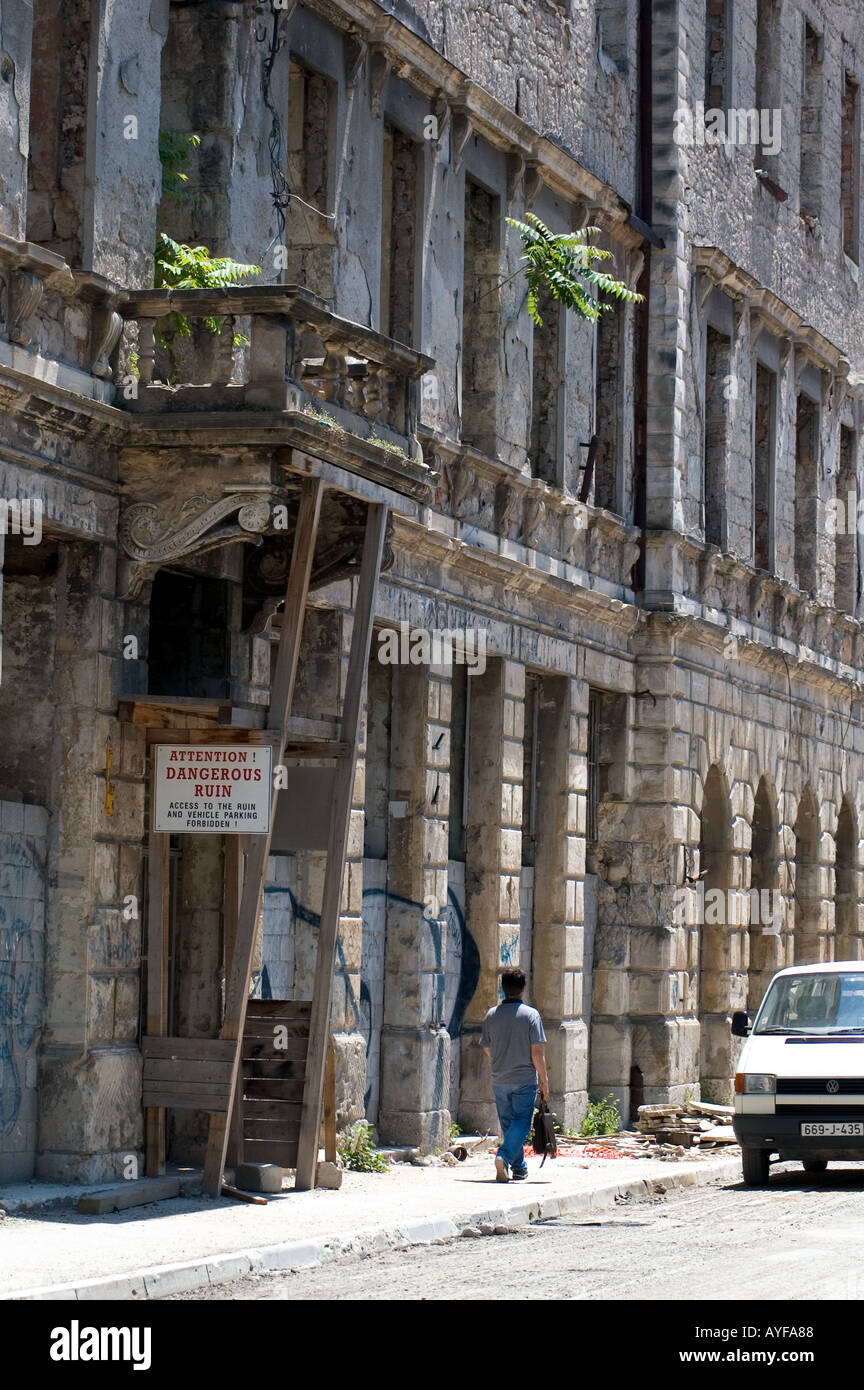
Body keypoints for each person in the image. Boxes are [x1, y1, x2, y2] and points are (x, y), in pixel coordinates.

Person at [481, 967, 549, 1183]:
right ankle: (504, 1156)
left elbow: (487, 1048)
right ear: (523, 989)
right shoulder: (531, 1015)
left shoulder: (491, 1015)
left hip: (500, 1078)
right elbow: (536, 1052)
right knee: (521, 1122)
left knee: (509, 1124)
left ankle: (518, 1167)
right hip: (524, 1079)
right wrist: (545, 1081)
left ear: (503, 989)